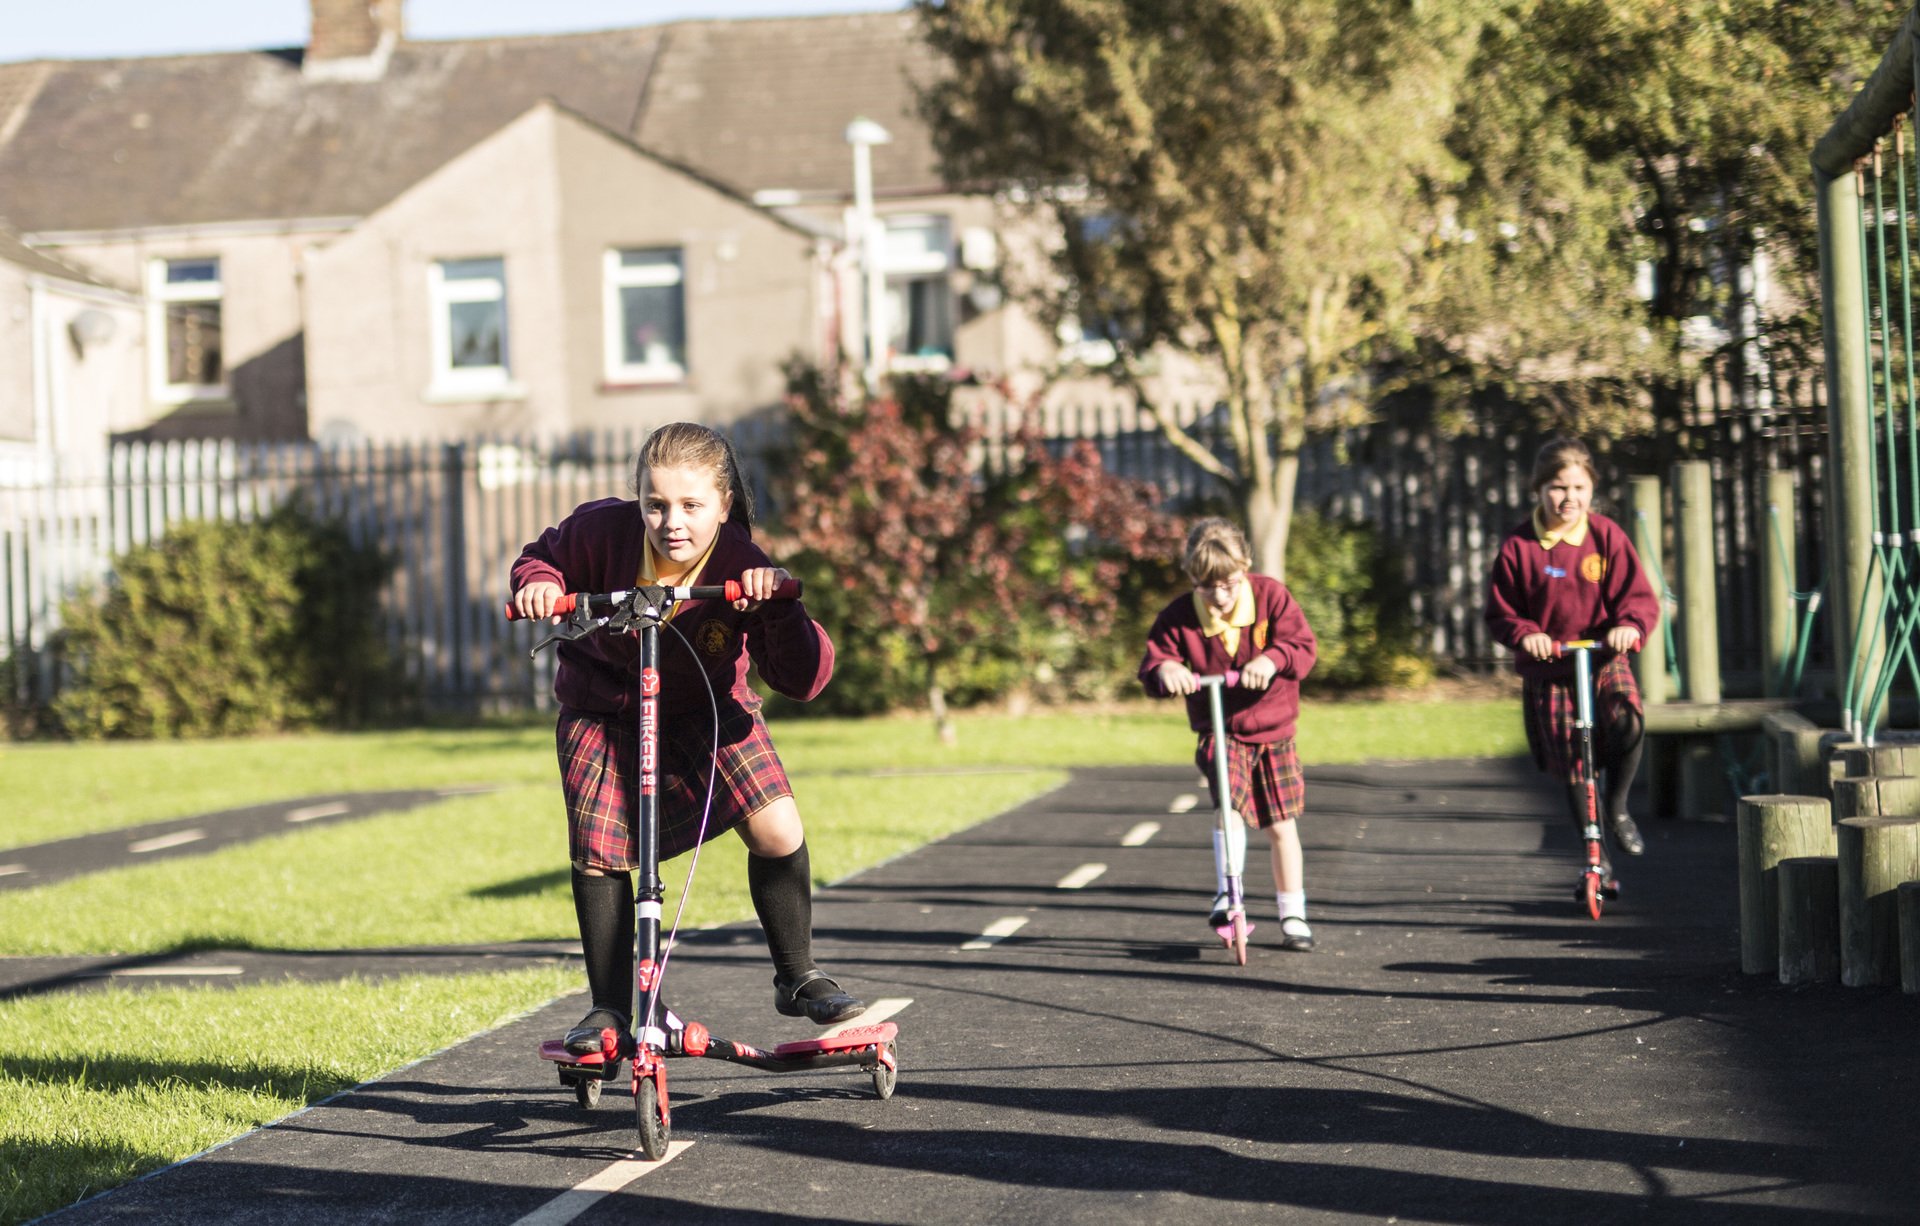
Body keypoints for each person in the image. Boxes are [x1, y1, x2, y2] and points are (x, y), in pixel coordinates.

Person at [510, 421, 864, 1055]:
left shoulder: (741, 564)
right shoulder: (600, 532)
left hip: (706, 709)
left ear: (723, 506)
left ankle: (797, 973)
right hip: (605, 710)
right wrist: (539, 583)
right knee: (599, 852)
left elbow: (804, 679)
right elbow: (541, 558)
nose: (671, 521)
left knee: (777, 828)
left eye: (692, 506)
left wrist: (777, 604)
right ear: (638, 500)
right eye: (656, 504)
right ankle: (611, 1010)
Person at [1484, 436, 1660, 894]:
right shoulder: (1520, 547)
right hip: (1553, 667)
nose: (1569, 498)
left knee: (1629, 723)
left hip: (1601, 658)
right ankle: (1595, 856)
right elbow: (1502, 613)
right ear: (1539, 490)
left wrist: (1630, 626)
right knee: (1574, 759)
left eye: (1579, 488)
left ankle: (1618, 807)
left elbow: (1638, 600)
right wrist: (1528, 634)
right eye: (1559, 488)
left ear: (1591, 490)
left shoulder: (1605, 538)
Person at [1140, 518, 1320, 951]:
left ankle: (1292, 911)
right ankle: (1228, 890)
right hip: (1221, 730)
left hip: (1273, 729)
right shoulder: (1180, 617)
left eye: (1229, 584)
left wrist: (1272, 660)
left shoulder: (1271, 598)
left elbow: (1303, 647)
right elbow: (1154, 663)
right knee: (1229, 810)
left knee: (1281, 825)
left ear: (1246, 566)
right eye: (1207, 588)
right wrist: (1169, 670)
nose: (1220, 597)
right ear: (1192, 579)